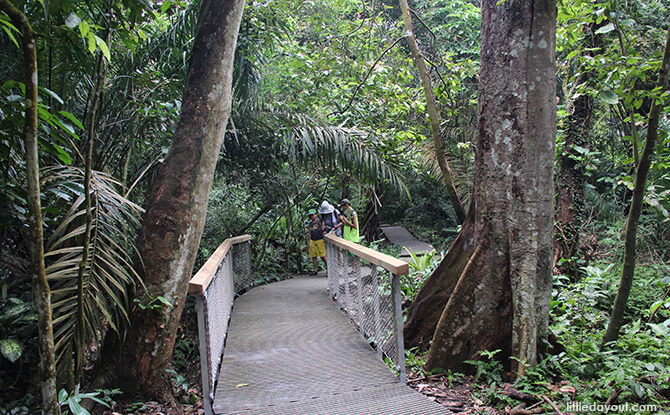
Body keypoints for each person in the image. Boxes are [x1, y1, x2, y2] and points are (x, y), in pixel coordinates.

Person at [306, 211, 327, 275]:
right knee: (313, 256)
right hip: (313, 240)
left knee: (322, 255)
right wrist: (309, 242)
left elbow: (324, 227)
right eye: (310, 216)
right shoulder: (310, 224)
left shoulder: (319, 221)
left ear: (315, 214)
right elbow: (309, 233)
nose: (311, 217)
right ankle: (315, 270)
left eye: (312, 215)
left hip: (320, 239)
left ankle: (328, 267)